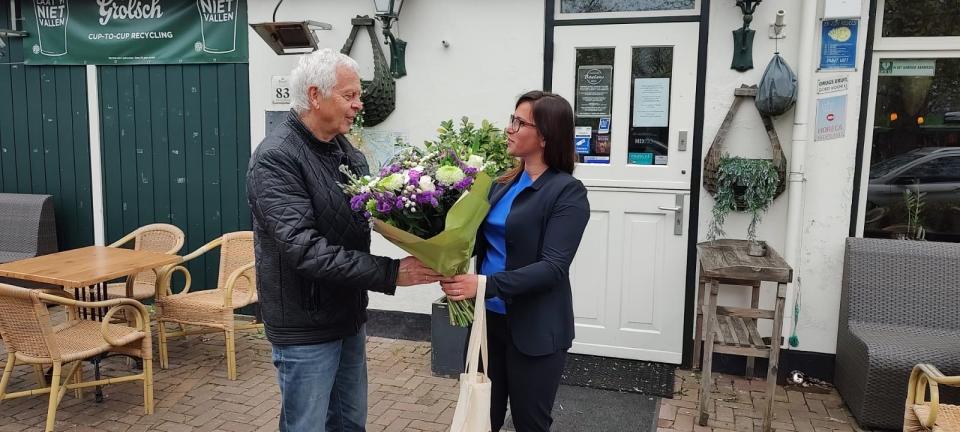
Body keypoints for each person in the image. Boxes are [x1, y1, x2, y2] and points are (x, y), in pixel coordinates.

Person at [246, 49, 443, 432]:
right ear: (316, 96)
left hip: (347, 315)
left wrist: (427, 226)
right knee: (307, 426)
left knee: (350, 424)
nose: (359, 104)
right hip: (305, 327)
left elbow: (365, 219)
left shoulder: (345, 152)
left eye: (358, 95)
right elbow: (305, 250)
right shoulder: (276, 158)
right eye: (350, 95)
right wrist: (391, 273)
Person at [441, 91, 591, 431]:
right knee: (481, 418)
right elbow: (474, 241)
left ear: (545, 135)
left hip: (535, 330)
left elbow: (553, 268)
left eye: (519, 122)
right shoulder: (500, 184)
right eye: (511, 119)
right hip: (488, 322)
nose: (509, 128)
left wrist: (482, 284)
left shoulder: (568, 192)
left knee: (530, 423)